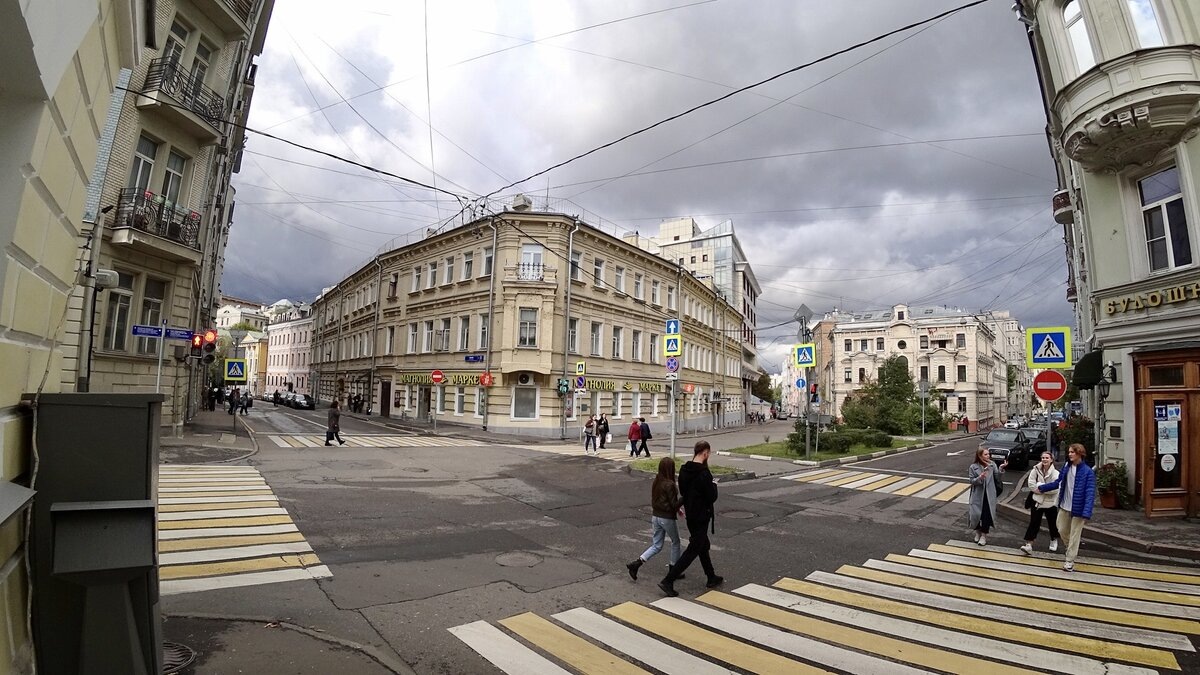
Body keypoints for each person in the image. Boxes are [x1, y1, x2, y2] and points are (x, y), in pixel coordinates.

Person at [658, 441, 722, 597]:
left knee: (702, 545)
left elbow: (684, 492)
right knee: (694, 549)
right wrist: (714, 485)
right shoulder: (704, 474)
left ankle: (711, 576)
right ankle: (668, 580)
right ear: (705, 453)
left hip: (691, 515)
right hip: (701, 516)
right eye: (708, 453)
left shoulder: (684, 470)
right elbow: (711, 497)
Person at [1036, 443, 1096, 571]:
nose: (1069, 454)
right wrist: (1043, 487)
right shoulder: (1066, 467)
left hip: (1078, 508)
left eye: (1072, 452)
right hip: (1065, 505)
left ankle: (1069, 561)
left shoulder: (1088, 472)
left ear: (1080, 453)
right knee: (1061, 529)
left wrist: (1087, 512)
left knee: (1075, 534)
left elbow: (1090, 493)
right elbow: (1058, 482)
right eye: (1069, 452)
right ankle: (1070, 549)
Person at [627, 456, 685, 581]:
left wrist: (677, 509)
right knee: (676, 542)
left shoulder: (657, 481)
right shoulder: (670, 484)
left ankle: (636, 563)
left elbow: (662, 501)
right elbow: (673, 505)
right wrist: (683, 498)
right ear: (671, 469)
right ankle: (673, 570)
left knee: (657, 545)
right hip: (667, 518)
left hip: (656, 516)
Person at [1021, 451, 1061, 555]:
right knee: (1034, 522)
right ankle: (1029, 544)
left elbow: (1055, 489)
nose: (1044, 460)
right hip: (1037, 500)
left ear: (1051, 460)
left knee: (1052, 523)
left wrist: (1040, 487)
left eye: (1047, 458)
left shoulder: (1056, 473)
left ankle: (1053, 539)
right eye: (1043, 458)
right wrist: (1041, 488)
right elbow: (1031, 484)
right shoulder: (1035, 470)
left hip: (1050, 502)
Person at [967, 447, 1006, 546]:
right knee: (976, 515)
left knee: (986, 515)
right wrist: (980, 477)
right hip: (977, 494)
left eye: (988, 454)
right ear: (980, 456)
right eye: (985, 454)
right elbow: (971, 481)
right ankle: (977, 532)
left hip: (989, 494)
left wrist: (1001, 468)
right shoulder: (973, 467)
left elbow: (997, 477)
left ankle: (984, 536)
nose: (988, 456)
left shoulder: (992, 465)